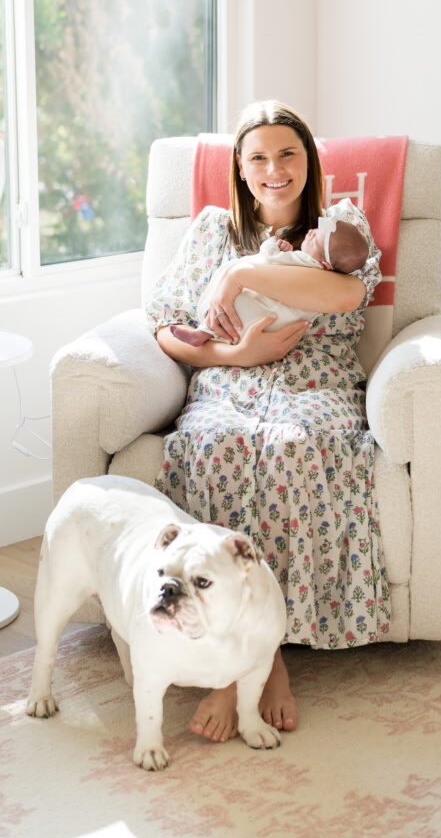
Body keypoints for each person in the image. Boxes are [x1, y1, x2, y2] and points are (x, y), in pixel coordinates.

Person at [145, 99, 390, 744]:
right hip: (230, 379)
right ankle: (259, 660)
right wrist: (236, 353)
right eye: (258, 157)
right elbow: (166, 324)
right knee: (212, 443)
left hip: (318, 382)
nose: (274, 168)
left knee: (292, 450)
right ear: (240, 167)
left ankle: (249, 658)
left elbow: (344, 296)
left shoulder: (339, 226)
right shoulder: (208, 230)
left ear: (309, 162)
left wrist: (242, 275)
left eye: (288, 154)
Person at [169, 209, 369, 348]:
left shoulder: (307, 263)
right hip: (272, 325)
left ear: (325, 265)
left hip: (261, 313)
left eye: (315, 237)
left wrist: (272, 244)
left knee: (236, 307)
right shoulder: (320, 276)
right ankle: (207, 335)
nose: (310, 232)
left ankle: (203, 333)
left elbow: (269, 259)